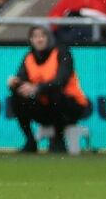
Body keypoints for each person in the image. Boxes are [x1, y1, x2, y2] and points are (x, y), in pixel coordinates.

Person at [8, 25, 90, 153]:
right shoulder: (29, 57)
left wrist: (37, 88)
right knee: (16, 98)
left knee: (55, 94)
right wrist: (15, 83)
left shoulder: (62, 53)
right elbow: (22, 79)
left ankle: (58, 139)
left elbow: (60, 82)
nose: (39, 40)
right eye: (35, 36)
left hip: (72, 106)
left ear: (49, 38)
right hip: (46, 107)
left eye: (42, 36)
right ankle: (30, 141)